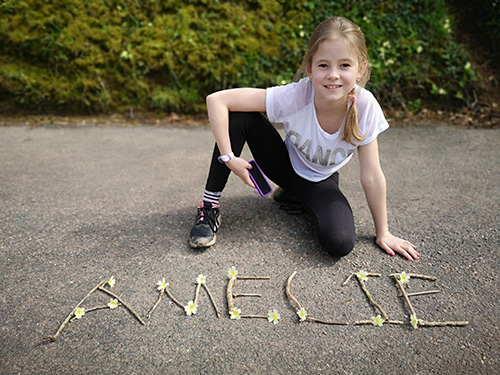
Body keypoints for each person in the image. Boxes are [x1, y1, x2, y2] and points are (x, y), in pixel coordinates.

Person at [188, 16, 419, 261]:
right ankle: (209, 207)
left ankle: (296, 195)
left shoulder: (365, 106)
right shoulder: (296, 95)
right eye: (323, 66)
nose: (333, 75)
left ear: (360, 68)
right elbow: (217, 100)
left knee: (340, 243)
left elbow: (371, 175)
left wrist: (383, 232)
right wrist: (229, 157)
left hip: (321, 181)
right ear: (310, 68)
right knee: (241, 116)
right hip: (283, 166)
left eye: (344, 65)